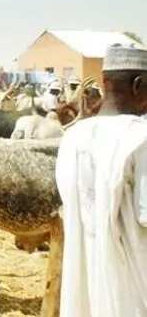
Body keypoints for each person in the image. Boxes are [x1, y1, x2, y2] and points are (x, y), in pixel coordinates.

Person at [56, 43, 147, 316]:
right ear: (138, 85)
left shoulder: (72, 137)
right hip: (130, 289)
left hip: (85, 284)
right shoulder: (140, 138)